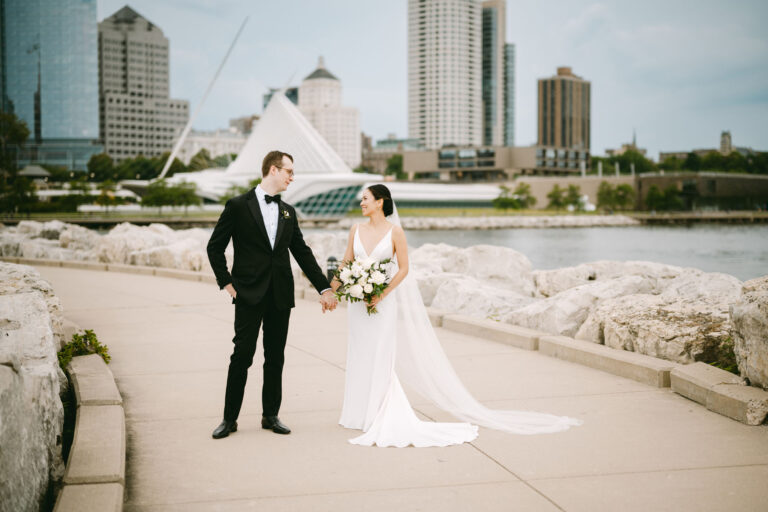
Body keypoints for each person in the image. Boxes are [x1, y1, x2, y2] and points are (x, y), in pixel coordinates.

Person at [332, 185, 582, 447]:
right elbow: (346, 263)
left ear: (380, 202)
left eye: (365, 199)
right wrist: (332, 292)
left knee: (381, 354)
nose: (361, 203)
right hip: (358, 304)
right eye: (362, 199)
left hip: (382, 302)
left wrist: (382, 293)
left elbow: (404, 269)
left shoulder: (396, 233)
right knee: (359, 352)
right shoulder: (355, 230)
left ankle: (377, 411)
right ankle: (357, 413)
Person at [207, 150, 338, 439]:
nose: (293, 177)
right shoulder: (238, 205)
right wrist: (226, 283)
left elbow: (302, 253)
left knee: (275, 356)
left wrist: (325, 288)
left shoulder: (288, 211)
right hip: (248, 294)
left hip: (280, 295)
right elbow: (214, 247)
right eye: (289, 171)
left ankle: (271, 415)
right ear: (273, 170)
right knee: (242, 355)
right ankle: (229, 420)